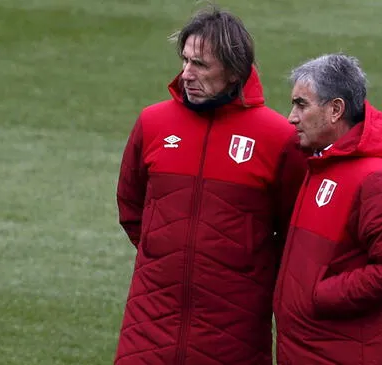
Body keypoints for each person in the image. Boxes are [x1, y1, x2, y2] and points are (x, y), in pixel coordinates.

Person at [114, 6, 307, 365]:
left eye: (200, 65)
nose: (186, 74)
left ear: (234, 72)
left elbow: (294, 230)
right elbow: (131, 203)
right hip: (150, 322)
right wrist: (163, 251)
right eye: (185, 61)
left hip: (234, 328)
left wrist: (243, 269)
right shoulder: (153, 123)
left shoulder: (278, 138)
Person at [273, 53, 382, 365]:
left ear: (335, 110)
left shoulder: (374, 178)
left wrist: (322, 295)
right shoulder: (320, 164)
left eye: (302, 104)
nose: (291, 117)